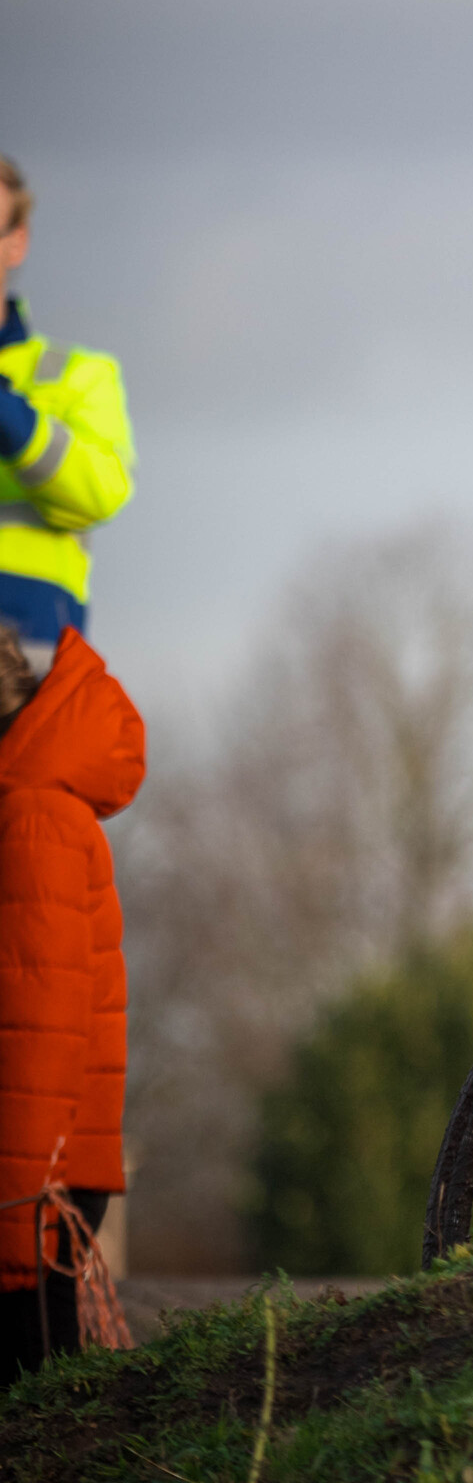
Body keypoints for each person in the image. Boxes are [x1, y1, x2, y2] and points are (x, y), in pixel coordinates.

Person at [0, 618, 145, 1384]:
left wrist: (19, 1215)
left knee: (36, 1415)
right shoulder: (32, 798)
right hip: (40, 1190)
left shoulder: (31, 817)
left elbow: (39, 1037)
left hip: (29, 1201)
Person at [0, 155, 137, 676]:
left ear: (18, 241)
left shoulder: (79, 374)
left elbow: (101, 491)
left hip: (29, 690)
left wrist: (10, 416)